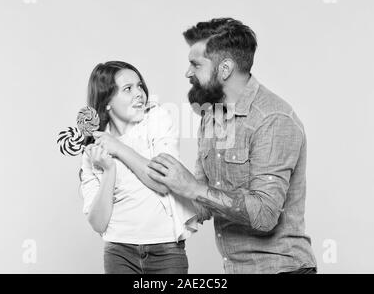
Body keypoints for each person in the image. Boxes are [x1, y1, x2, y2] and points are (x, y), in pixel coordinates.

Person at [147, 18, 318, 274]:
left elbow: (265, 215)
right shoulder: (211, 114)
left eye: (196, 64)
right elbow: (203, 201)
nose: (188, 73)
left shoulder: (273, 119)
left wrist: (191, 187)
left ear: (225, 69)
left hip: (282, 270)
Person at [79, 61, 200, 274]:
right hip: (119, 252)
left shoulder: (158, 120)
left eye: (140, 85)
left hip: (166, 250)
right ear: (107, 101)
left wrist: (118, 148)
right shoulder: (93, 150)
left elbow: (164, 182)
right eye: (128, 89)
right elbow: (98, 224)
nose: (139, 93)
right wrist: (108, 170)